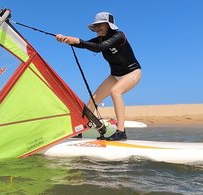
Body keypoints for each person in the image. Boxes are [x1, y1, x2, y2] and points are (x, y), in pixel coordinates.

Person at [56, 12, 141, 141]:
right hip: (115, 75)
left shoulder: (119, 36)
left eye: (100, 24)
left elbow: (99, 48)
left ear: (109, 25)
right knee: (92, 100)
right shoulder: (100, 39)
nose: (97, 28)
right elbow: (84, 44)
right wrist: (65, 39)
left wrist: (78, 41)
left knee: (115, 91)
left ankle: (121, 132)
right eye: (96, 26)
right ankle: (82, 129)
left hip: (132, 73)